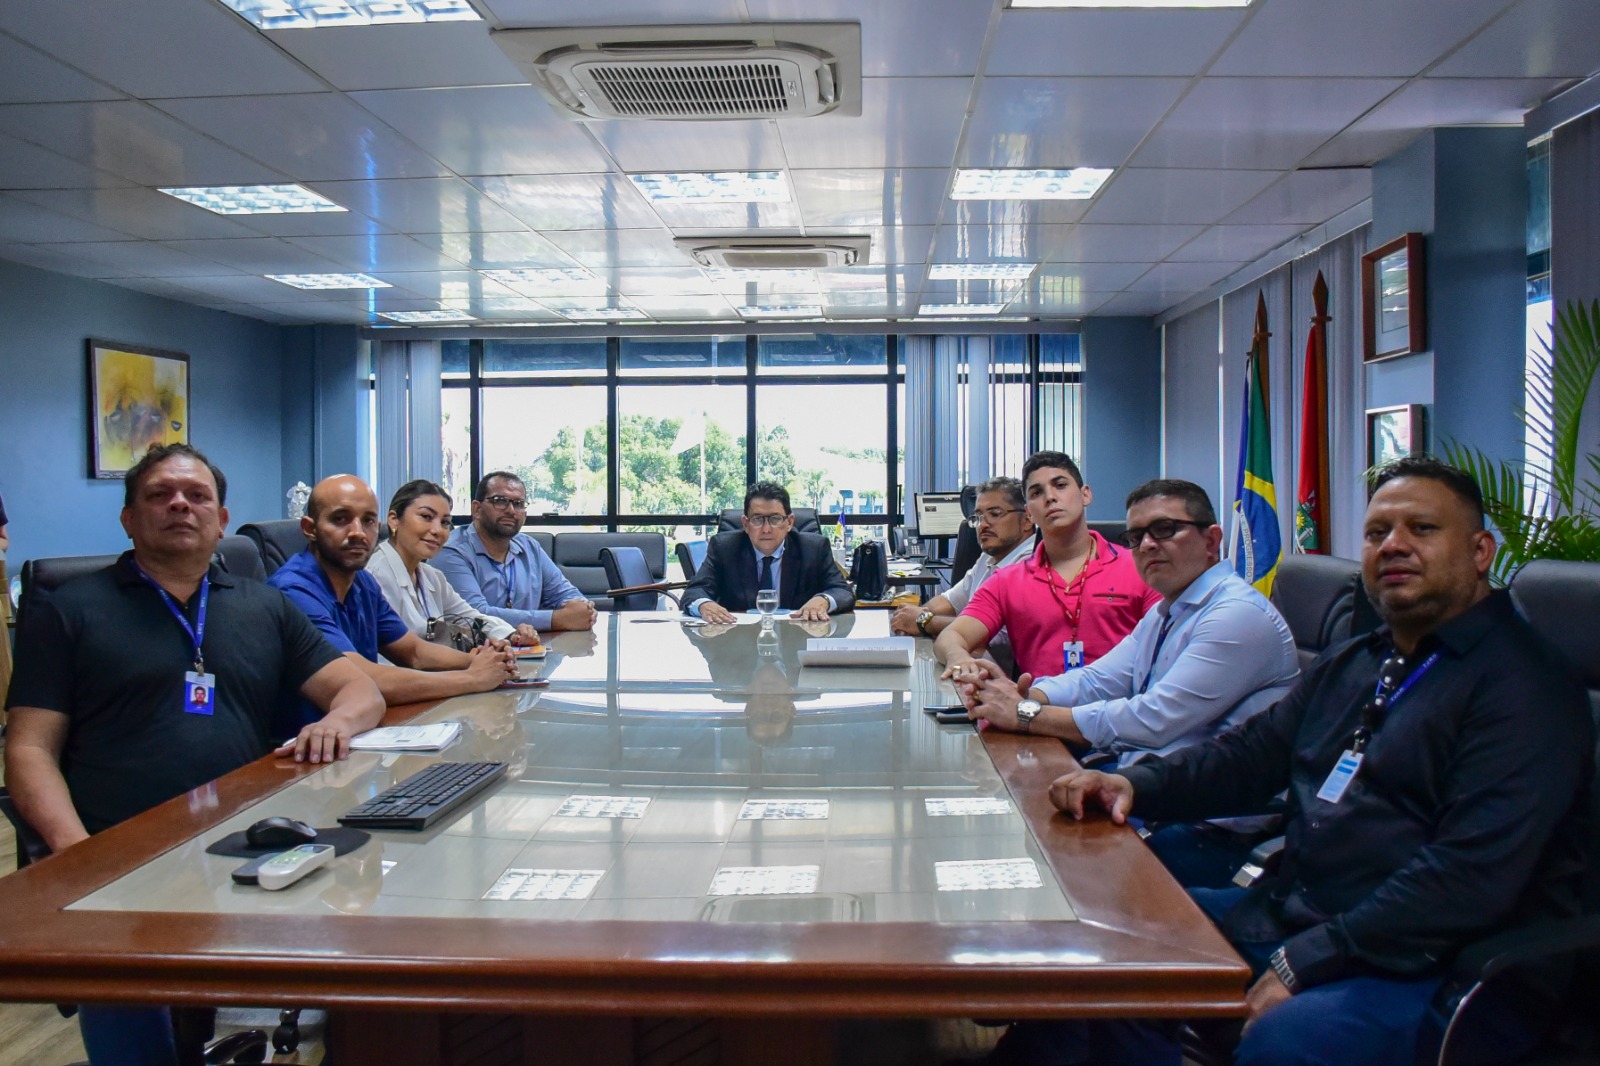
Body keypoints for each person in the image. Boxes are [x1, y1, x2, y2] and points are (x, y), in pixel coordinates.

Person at [1031, 458, 1592, 1066]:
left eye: (1422, 529)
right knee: (1111, 941)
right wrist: (1130, 783)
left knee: (1285, 1042)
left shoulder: (1523, 686)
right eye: (1377, 533)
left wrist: (1306, 959)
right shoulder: (1361, 660)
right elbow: (1250, 757)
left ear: (1481, 551)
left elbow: (1467, 876)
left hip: (1433, 960)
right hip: (1303, 912)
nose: (1394, 545)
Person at [3, 444, 385, 1066]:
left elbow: (361, 691)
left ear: (222, 518)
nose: (181, 504)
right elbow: (27, 748)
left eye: (197, 495)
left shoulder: (263, 605)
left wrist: (335, 722)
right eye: (160, 495)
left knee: (368, 937)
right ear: (129, 518)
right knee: (132, 1015)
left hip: (245, 843)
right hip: (119, 851)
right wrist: (79, 856)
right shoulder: (68, 611)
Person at [958, 478, 1299, 888]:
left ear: (1212, 541)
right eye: (1136, 537)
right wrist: (1029, 694)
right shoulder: (1169, 610)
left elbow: (1151, 719)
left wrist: (1027, 714)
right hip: (1144, 792)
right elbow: (1100, 678)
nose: (1148, 545)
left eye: (1165, 529)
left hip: (1207, 826)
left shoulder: (1235, 615)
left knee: (1070, 881)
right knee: (1025, 829)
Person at [268, 474, 518, 729]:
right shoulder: (293, 591)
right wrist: (472, 679)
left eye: (368, 521)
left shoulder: (362, 582)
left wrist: (482, 660)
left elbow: (413, 651)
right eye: (340, 519)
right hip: (311, 740)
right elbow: (359, 678)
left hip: (365, 729)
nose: (358, 532)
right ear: (310, 529)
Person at [935, 451, 1158, 680]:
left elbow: (1165, 649)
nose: (1050, 497)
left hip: (1123, 701)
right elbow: (952, 636)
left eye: (1060, 485)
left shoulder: (1140, 567)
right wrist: (958, 658)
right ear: (1029, 513)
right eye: (1037, 492)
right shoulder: (1007, 581)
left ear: (1085, 495)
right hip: (1034, 702)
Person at [367, 479, 542, 650]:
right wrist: (473, 662)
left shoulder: (431, 576)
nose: (437, 530)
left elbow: (471, 617)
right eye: (426, 517)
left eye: (444, 522)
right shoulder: (376, 575)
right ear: (394, 520)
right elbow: (406, 653)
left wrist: (511, 634)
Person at [434, 471, 597, 633]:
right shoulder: (450, 551)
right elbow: (474, 617)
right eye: (500, 501)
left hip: (532, 646)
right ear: (477, 509)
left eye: (519, 503)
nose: (511, 510)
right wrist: (557, 619)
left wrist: (582, 609)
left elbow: (566, 593)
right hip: (473, 649)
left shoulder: (529, 547)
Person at [682, 481, 856, 624]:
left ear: (789, 522)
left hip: (796, 641)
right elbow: (695, 591)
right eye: (757, 519)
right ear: (746, 524)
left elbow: (842, 591)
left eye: (775, 519)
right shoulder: (725, 548)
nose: (766, 529)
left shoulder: (813, 548)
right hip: (739, 644)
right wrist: (704, 605)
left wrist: (823, 600)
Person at [891, 476, 1034, 645]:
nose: (982, 525)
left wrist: (924, 621)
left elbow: (997, 636)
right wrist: (911, 616)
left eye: (995, 514)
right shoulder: (989, 557)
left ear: (1027, 519)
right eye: (978, 517)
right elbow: (951, 601)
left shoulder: (1032, 563)